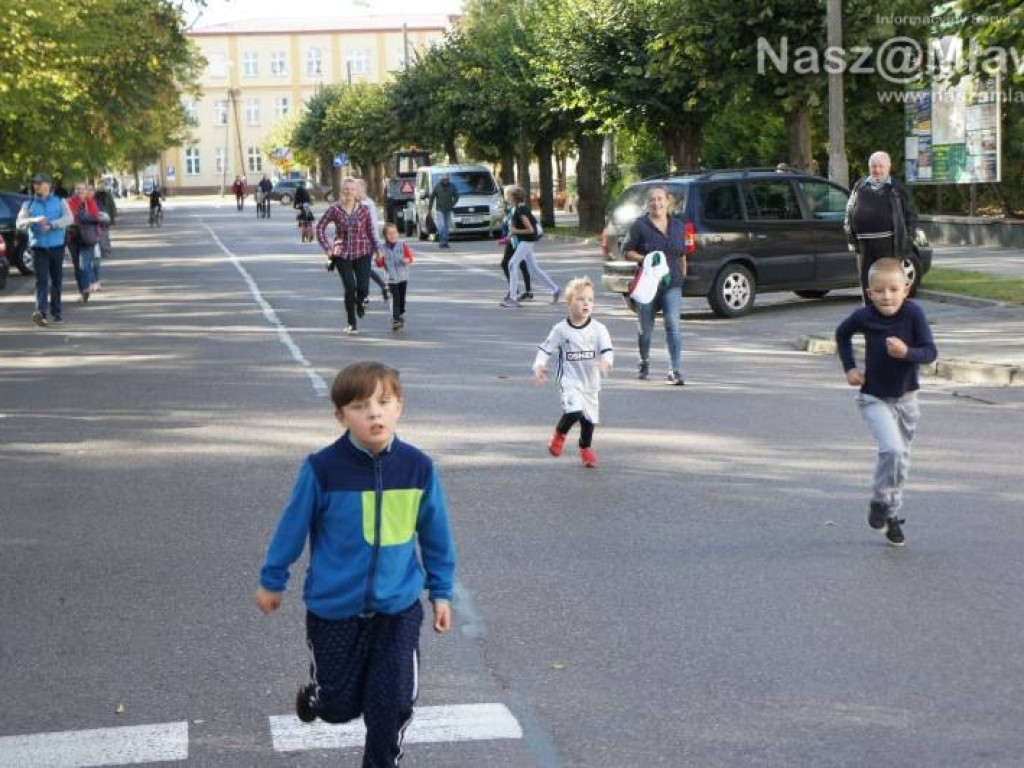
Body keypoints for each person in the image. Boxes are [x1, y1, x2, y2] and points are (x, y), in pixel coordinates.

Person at [254, 361, 456, 768]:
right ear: (341, 416)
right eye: (360, 406)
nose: (374, 414)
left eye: (384, 402)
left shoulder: (418, 468)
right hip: (334, 608)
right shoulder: (322, 469)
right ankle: (319, 697)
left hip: (397, 608)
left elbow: (436, 534)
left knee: (392, 701)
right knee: (340, 706)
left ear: (400, 406)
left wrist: (441, 592)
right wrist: (273, 579)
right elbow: (292, 526)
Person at [835, 257, 937, 547]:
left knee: (900, 461)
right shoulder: (865, 316)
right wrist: (850, 368)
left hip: (907, 399)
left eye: (893, 289)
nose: (887, 296)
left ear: (906, 289)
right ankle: (879, 501)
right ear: (869, 293)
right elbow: (842, 333)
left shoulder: (913, 313)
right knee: (892, 450)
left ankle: (892, 514)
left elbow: (930, 352)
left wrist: (907, 353)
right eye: (879, 291)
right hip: (874, 397)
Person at [533, 277, 614, 468]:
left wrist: (606, 362)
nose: (586, 303)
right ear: (569, 303)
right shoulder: (561, 330)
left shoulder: (599, 329)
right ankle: (559, 434)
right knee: (574, 412)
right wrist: (539, 365)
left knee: (589, 421)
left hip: (590, 382)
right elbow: (545, 349)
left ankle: (585, 449)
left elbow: (607, 350)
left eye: (590, 300)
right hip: (569, 380)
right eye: (580, 299)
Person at [622, 185, 686, 385]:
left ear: (668, 201)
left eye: (660, 199)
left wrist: (682, 276)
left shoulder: (678, 226)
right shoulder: (639, 226)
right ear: (647, 203)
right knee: (646, 329)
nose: (656, 203)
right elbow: (627, 251)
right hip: (647, 285)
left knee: (673, 324)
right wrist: (646, 258)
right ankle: (644, 360)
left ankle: (674, 370)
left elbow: (681, 253)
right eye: (652, 199)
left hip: (672, 283)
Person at [844, 150, 921, 301]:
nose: (877, 170)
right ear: (869, 167)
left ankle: (889, 312)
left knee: (888, 282)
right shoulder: (860, 185)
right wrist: (850, 236)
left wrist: (907, 240)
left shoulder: (897, 188)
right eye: (874, 166)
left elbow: (911, 216)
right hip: (864, 244)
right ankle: (869, 311)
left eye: (881, 166)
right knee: (867, 284)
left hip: (888, 244)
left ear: (888, 167)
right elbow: (849, 211)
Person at [316, 178, 380, 334]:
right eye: (346, 189)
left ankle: (360, 302)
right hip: (342, 253)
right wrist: (327, 248)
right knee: (350, 287)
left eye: (352, 189)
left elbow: (370, 231)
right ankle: (352, 323)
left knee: (363, 288)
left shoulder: (364, 210)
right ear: (342, 191)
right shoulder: (335, 210)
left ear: (357, 192)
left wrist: (378, 250)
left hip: (362, 252)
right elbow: (319, 228)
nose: (349, 192)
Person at [16, 173, 73, 326]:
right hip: (38, 248)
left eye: (39, 183)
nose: (36, 186)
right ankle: (41, 313)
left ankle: (57, 313)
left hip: (57, 247)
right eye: (35, 183)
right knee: (41, 280)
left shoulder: (60, 201)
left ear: (48, 185)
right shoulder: (28, 204)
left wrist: (53, 225)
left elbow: (69, 218)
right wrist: (33, 220)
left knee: (56, 281)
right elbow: (19, 223)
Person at [500, 185, 559, 308]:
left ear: (513, 197)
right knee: (534, 269)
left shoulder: (521, 211)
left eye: (507, 195)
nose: (506, 198)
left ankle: (513, 298)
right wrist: (508, 237)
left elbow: (530, 230)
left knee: (512, 264)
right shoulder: (519, 209)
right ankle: (555, 289)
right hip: (526, 241)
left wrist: (515, 231)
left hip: (526, 241)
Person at [356, 178, 391, 303]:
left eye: (357, 188)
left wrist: (376, 243)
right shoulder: (355, 202)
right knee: (362, 268)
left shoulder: (368, 203)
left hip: (368, 241)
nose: (355, 190)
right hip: (357, 241)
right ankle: (383, 286)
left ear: (363, 189)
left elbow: (373, 224)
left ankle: (365, 295)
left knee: (364, 268)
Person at [375, 223, 414, 331]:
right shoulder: (382, 248)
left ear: (398, 233)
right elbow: (379, 264)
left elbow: (410, 257)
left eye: (394, 232)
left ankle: (400, 313)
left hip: (403, 277)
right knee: (395, 298)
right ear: (385, 236)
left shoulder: (402, 245)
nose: (392, 235)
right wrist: (379, 258)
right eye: (389, 233)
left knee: (401, 299)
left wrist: (407, 260)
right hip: (391, 279)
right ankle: (395, 319)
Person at [66, 182, 100, 301]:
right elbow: (68, 218)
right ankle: (82, 291)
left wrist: (80, 219)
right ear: (74, 190)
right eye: (77, 188)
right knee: (77, 265)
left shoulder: (90, 202)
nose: (80, 191)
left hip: (87, 237)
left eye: (82, 189)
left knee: (84, 263)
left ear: (86, 191)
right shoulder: (69, 202)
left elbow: (97, 218)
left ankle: (85, 288)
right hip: (73, 237)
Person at [498, 199, 532, 300]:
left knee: (509, 264)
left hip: (515, 241)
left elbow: (513, 227)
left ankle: (515, 291)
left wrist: (507, 238)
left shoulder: (514, 210)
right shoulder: (512, 210)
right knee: (519, 264)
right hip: (515, 240)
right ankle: (526, 291)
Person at [91, 184, 113, 291]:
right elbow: (109, 213)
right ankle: (94, 281)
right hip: (95, 233)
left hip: (95, 233)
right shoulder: (102, 202)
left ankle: (94, 281)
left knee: (94, 259)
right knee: (95, 259)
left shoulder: (97, 202)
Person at [428, 172, 459, 249]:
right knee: (441, 226)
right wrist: (430, 208)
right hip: (440, 209)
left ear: (448, 179)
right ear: (441, 179)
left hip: (448, 209)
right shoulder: (437, 186)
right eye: (444, 179)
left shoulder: (452, 186)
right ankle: (442, 241)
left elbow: (457, 196)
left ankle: (446, 242)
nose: (445, 181)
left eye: (446, 179)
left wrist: (453, 204)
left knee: (447, 226)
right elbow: (432, 197)